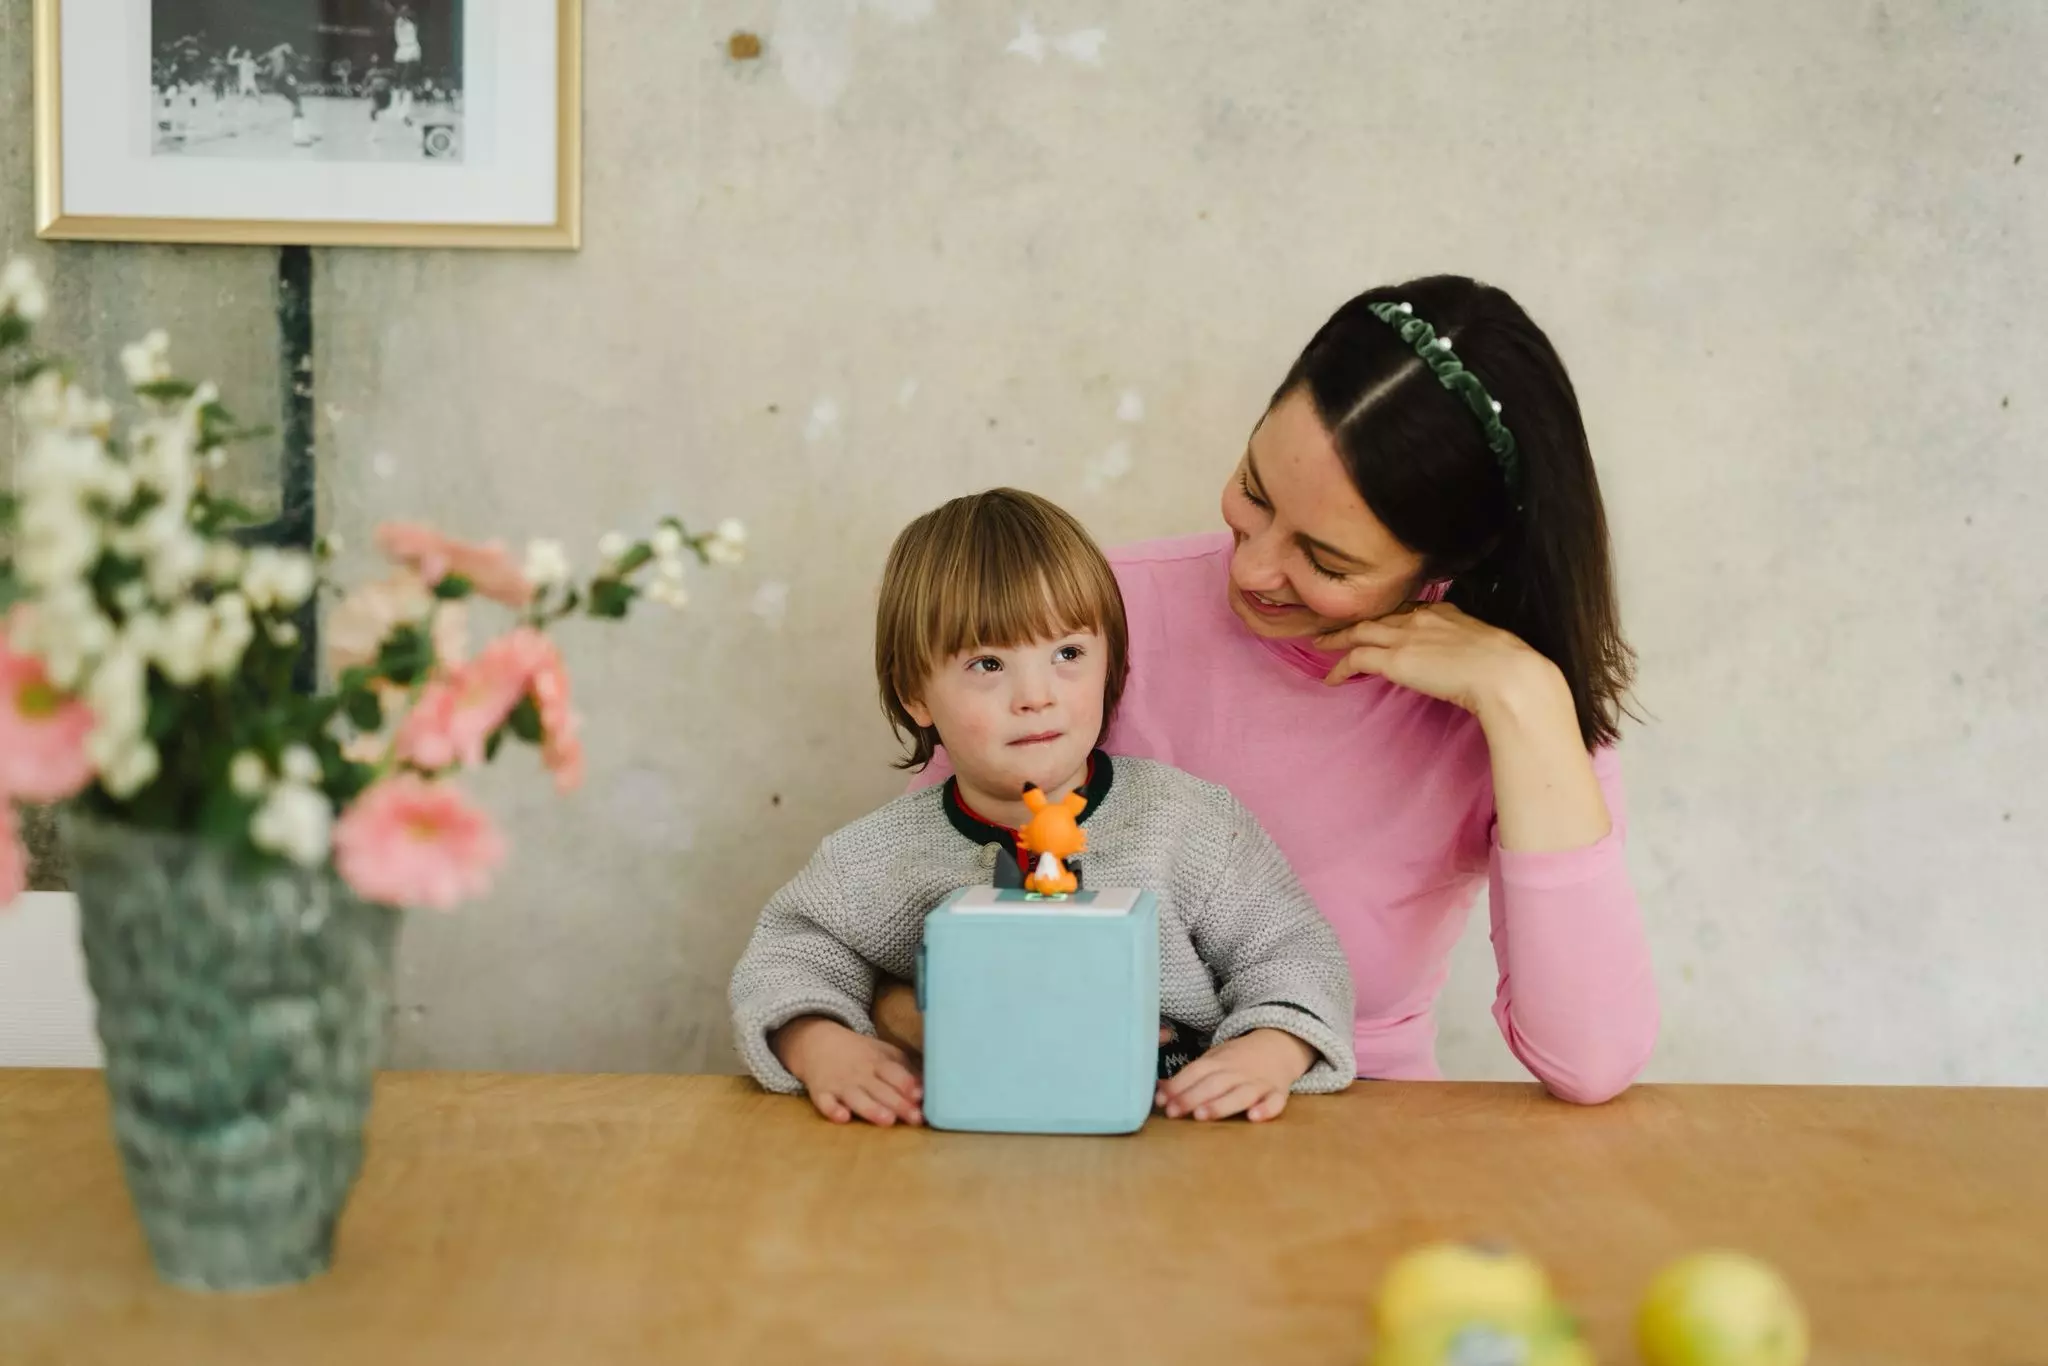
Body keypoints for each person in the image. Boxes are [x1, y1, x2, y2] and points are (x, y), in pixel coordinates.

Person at [878, 275, 1659, 1105]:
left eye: (1326, 561)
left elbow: (1592, 1061)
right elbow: (896, 941)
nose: (1250, 570)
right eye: (1254, 490)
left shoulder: (1509, 711)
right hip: (1080, 1122)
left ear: (1447, 567)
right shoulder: (1077, 628)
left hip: (1353, 1142)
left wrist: (1528, 703)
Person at [729, 489, 1357, 1127]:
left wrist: (1272, 1051)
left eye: (1068, 655)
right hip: (966, 1140)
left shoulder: (1189, 824)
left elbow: (1295, 952)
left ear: (1112, 663)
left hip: (1172, 1132)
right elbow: (788, 957)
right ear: (915, 695)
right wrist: (820, 1045)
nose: (1035, 696)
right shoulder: (875, 858)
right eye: (988, 663)